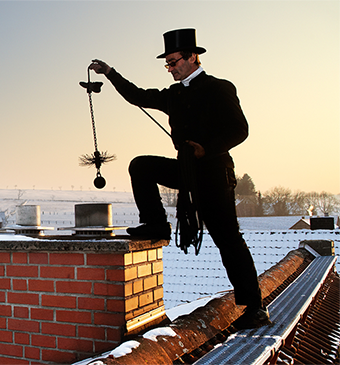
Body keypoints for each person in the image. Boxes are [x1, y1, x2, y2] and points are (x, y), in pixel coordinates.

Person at [89, 28, 270, 329]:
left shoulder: (219, 88)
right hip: (185, 170)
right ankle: (157, 224)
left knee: (227, 239)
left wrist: (206, 148)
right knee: (141, 166)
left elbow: (240, 130)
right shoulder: (173, 95)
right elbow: (137, 96)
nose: (170, 69)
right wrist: (109, 72)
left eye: (174, 62)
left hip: (213, 173)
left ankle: (254, 306)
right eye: (168, 64)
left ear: (193, 57)